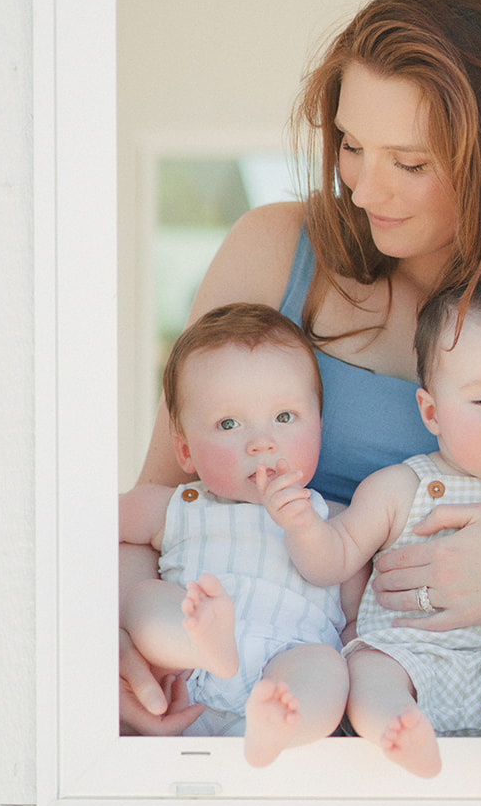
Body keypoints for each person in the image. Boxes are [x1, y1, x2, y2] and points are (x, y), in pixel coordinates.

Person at [120, 0, 481, 737]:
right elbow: (157, 506)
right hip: (248, 708)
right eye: (352, 144)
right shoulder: (274, 253)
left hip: (462, 744)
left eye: (411, 163)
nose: (362, 189)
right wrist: (124, 641)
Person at [260, 286, 481, 794]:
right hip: (405, 653)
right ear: (432, 414)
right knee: (364, 668)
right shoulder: (401, 486)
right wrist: (303, 527)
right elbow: (331, 561)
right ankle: (399, 730)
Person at [118, 304, 349, 765]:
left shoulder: (336, 521)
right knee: (145, 598)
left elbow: (362, 615)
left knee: (330, 668)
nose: (261, 442)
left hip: (288, 662)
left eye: (285, 418)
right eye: (229, 423)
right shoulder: (173, 506)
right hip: (183, 674)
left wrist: (305, 529)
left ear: (320, 428)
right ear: (184, 449)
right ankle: (203, 644)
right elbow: (78, 532)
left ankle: (266, 732)